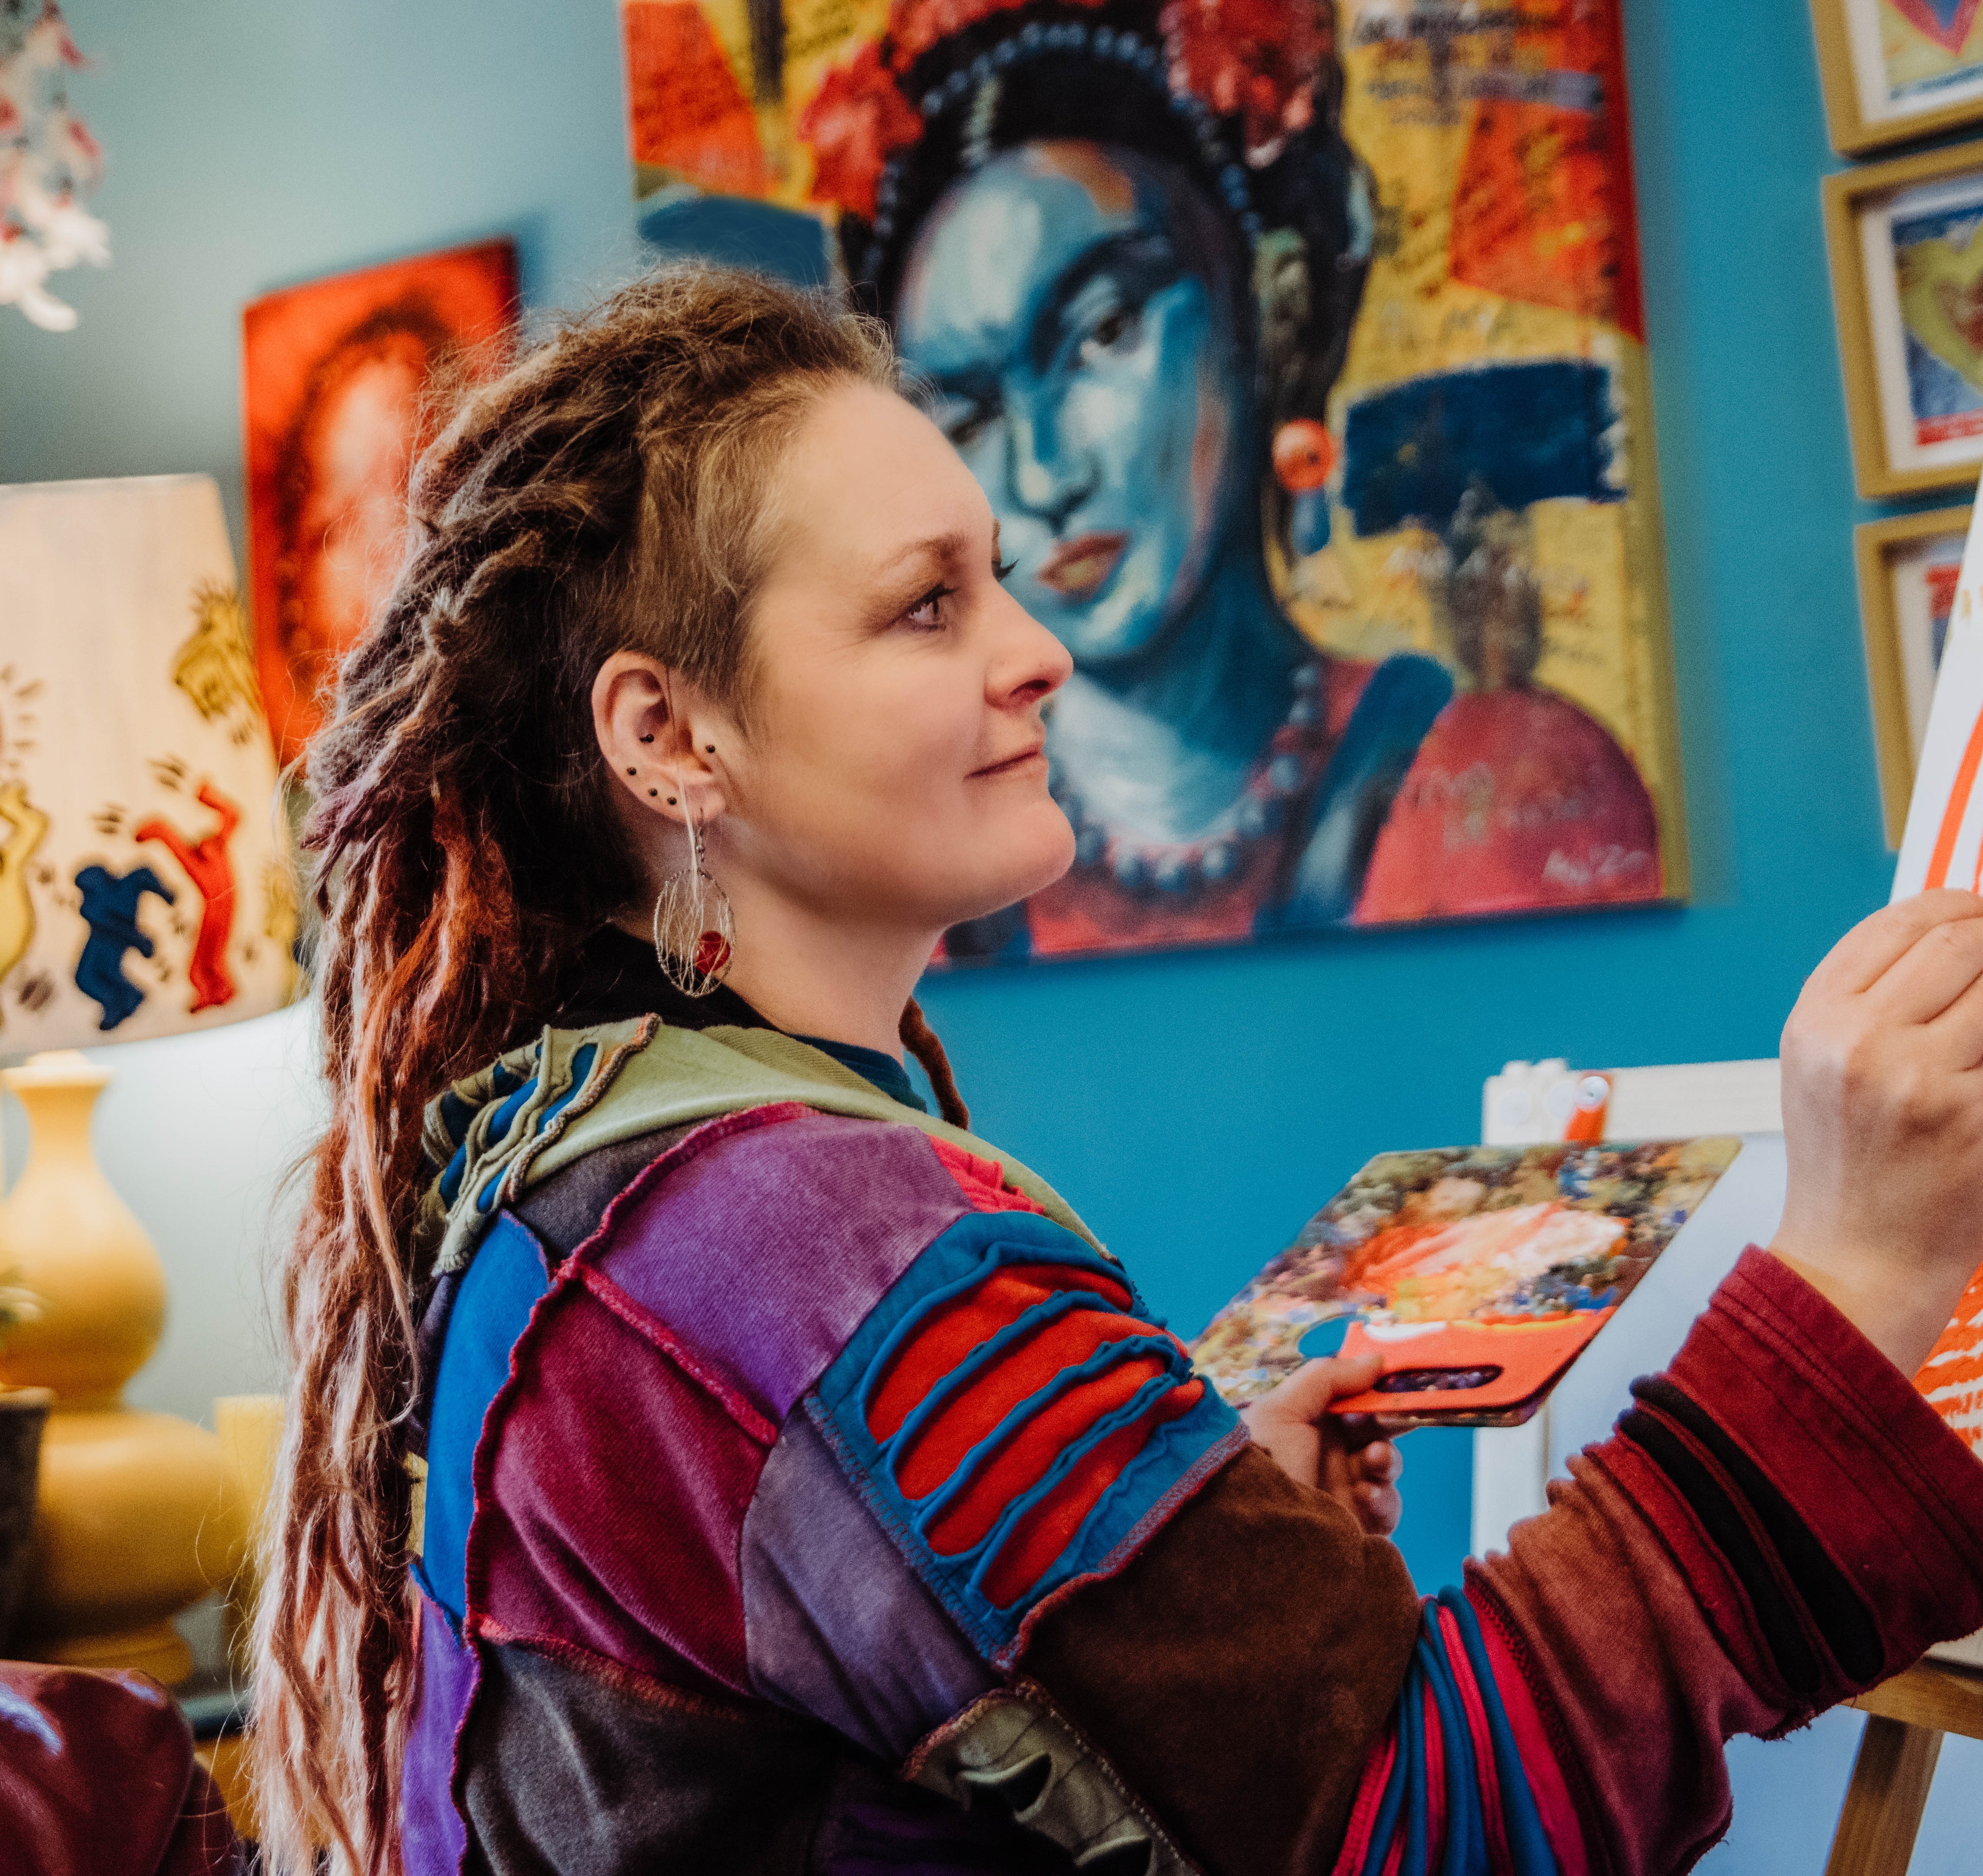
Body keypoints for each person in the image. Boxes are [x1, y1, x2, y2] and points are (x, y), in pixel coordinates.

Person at [252, 266, 1983, 1876]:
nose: (1035, 649)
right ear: (667, 736)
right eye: (925, 605)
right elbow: (1435, 1824)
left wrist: (1182, 1587)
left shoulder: (595, 1162)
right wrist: (1855, 1269)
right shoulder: (798, 1235)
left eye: (995, 574)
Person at [798, 0, 1661, 957]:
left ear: (1273, 305)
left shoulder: (1505, 790)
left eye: (1102, 331)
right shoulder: (909, 904)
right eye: (965, 413)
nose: (1042, 472)